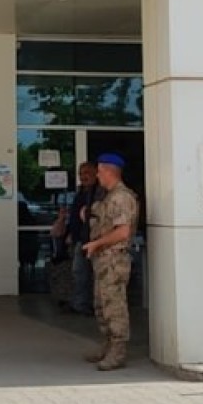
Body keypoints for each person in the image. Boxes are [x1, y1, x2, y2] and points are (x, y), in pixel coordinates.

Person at [81, 153, 140, 371]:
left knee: (114, 307)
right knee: (102, 305)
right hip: (104, 260)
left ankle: (118, 351)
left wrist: (97, 243)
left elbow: (123, 231)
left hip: (114, 260)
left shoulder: (122, 197)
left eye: (99, 171)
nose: (97, 176)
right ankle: (107, 345)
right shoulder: (109, 197)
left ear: (108, 171)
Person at [63, 162, 99, 315]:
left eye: (87, 173)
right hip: (80, 239)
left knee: (90, 274)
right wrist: (71, 233)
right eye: (81, 173)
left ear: (96, 174)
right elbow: (76, 217)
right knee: (79, 273)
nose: (83, 176)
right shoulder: (81, 193)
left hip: (94, 239)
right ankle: (79, 303)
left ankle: (90, 305)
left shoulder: (99, 193)